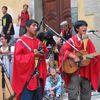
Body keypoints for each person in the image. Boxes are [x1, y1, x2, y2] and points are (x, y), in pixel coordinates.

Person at [59, 20, 99, 100]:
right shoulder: (72, 40)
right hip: (74, 71)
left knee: (86, 96)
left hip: (86, 72)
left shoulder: (88, 41)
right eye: (82, 26)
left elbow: (94, 54)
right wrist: (74, 56)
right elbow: (63, 50)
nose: (85, 28)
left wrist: (95, 57)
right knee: (73, 95)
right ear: (77, 29)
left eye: (85, 26)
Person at [12, 19, 48, 100]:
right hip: (26, 78)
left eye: (37, 26)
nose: (36, 27)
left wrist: (42, 51)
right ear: (27, 27)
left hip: (38, 78)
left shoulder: (38, 41)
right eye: (33, 25)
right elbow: (18, 59)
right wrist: (33, 55)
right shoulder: (20, 41)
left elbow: (45, 54)